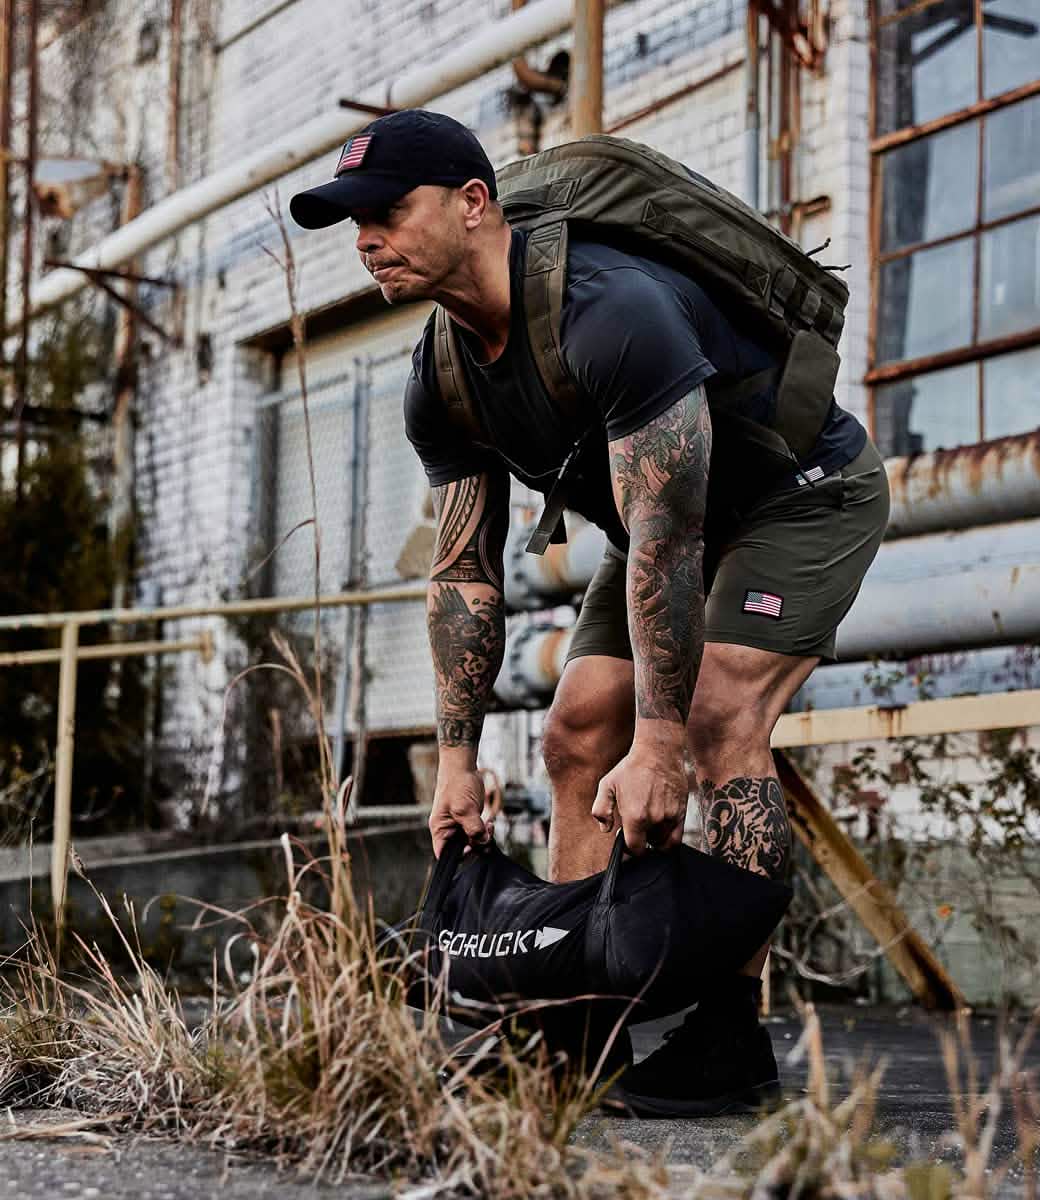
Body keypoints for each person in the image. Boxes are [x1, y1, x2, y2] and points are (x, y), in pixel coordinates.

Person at [291, 109, 890, 1117]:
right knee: (573, 731)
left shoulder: (611, 311)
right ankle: (569, 1023)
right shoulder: (440, 378)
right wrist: (455, 760)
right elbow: (463, 572)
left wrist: (659, 743)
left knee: (713, 720)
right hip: (665, 524)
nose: (366, 240)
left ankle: (729, 1039)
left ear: (473, 204)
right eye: (354, 223)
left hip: (797, 493)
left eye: (387, 212)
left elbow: (668, 541)